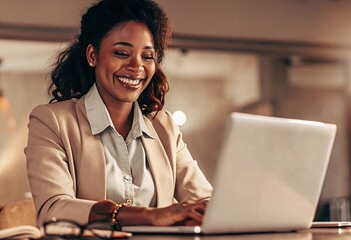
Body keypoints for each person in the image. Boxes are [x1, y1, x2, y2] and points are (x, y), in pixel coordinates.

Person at [25, 0, 213, 229]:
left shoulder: (165, 126)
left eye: (147, 56)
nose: (136, 66)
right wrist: (148, 215)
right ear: (93, 55)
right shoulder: (52, 121)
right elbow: (53, 209)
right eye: (122, 53)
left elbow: (204, 200)